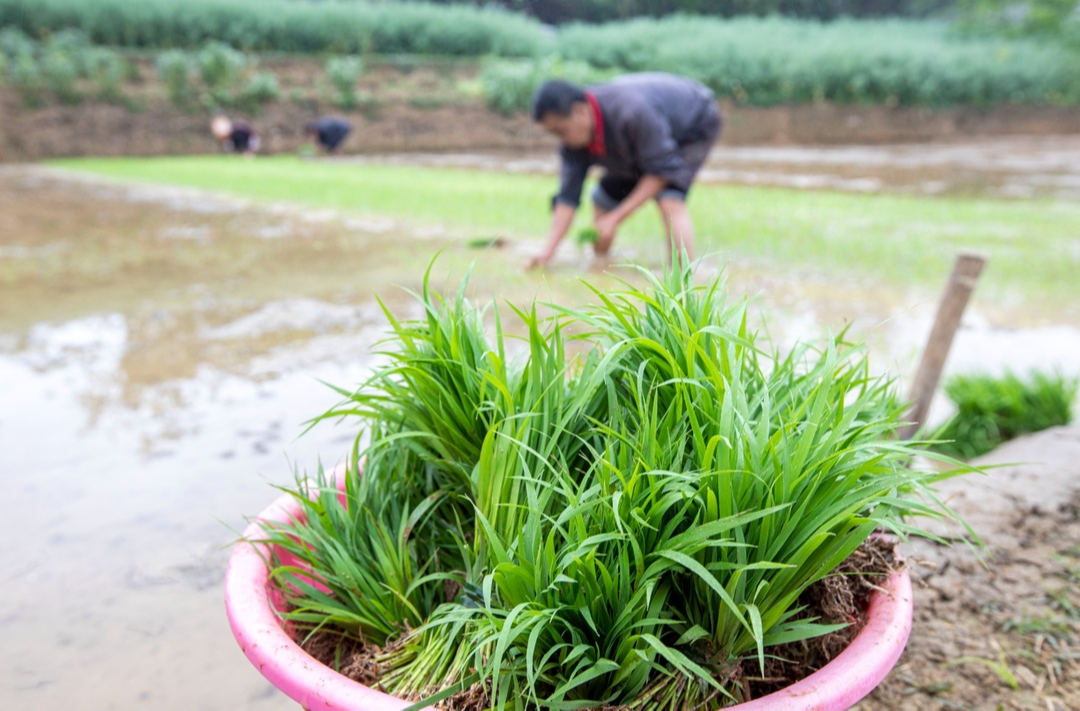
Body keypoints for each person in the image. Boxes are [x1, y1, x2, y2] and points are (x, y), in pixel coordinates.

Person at [528, 73, 721, 269]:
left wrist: (615, 218)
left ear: (580, 111)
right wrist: (547, 253)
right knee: (603, 199)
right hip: (641, 142)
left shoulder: (630, 111)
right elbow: (567, 199)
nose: (560, 140)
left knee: (670, 197)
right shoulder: (572, 144)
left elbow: (661, 172)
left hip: (693, 124)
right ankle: (600, 266)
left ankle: (682, 280)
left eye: (560, 131)